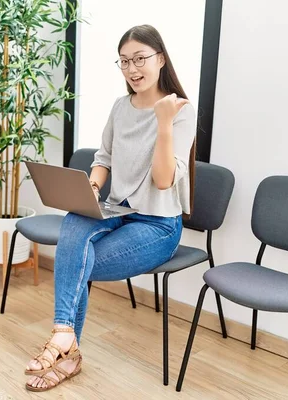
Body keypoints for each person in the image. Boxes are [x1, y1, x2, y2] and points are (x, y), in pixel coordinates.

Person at [24, 24, 196, 392]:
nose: (132, 69)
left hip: (158, 225)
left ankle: (67, 352)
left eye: (140, 59)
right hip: (118, 210)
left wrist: (163, 122)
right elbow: (103, 159)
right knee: (75, 219)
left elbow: (164, 180)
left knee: (75, 262)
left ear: (160, 59)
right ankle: (65, 336)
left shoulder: (180, 111)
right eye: (124, 62)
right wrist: (92, 185)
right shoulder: (120, 107)